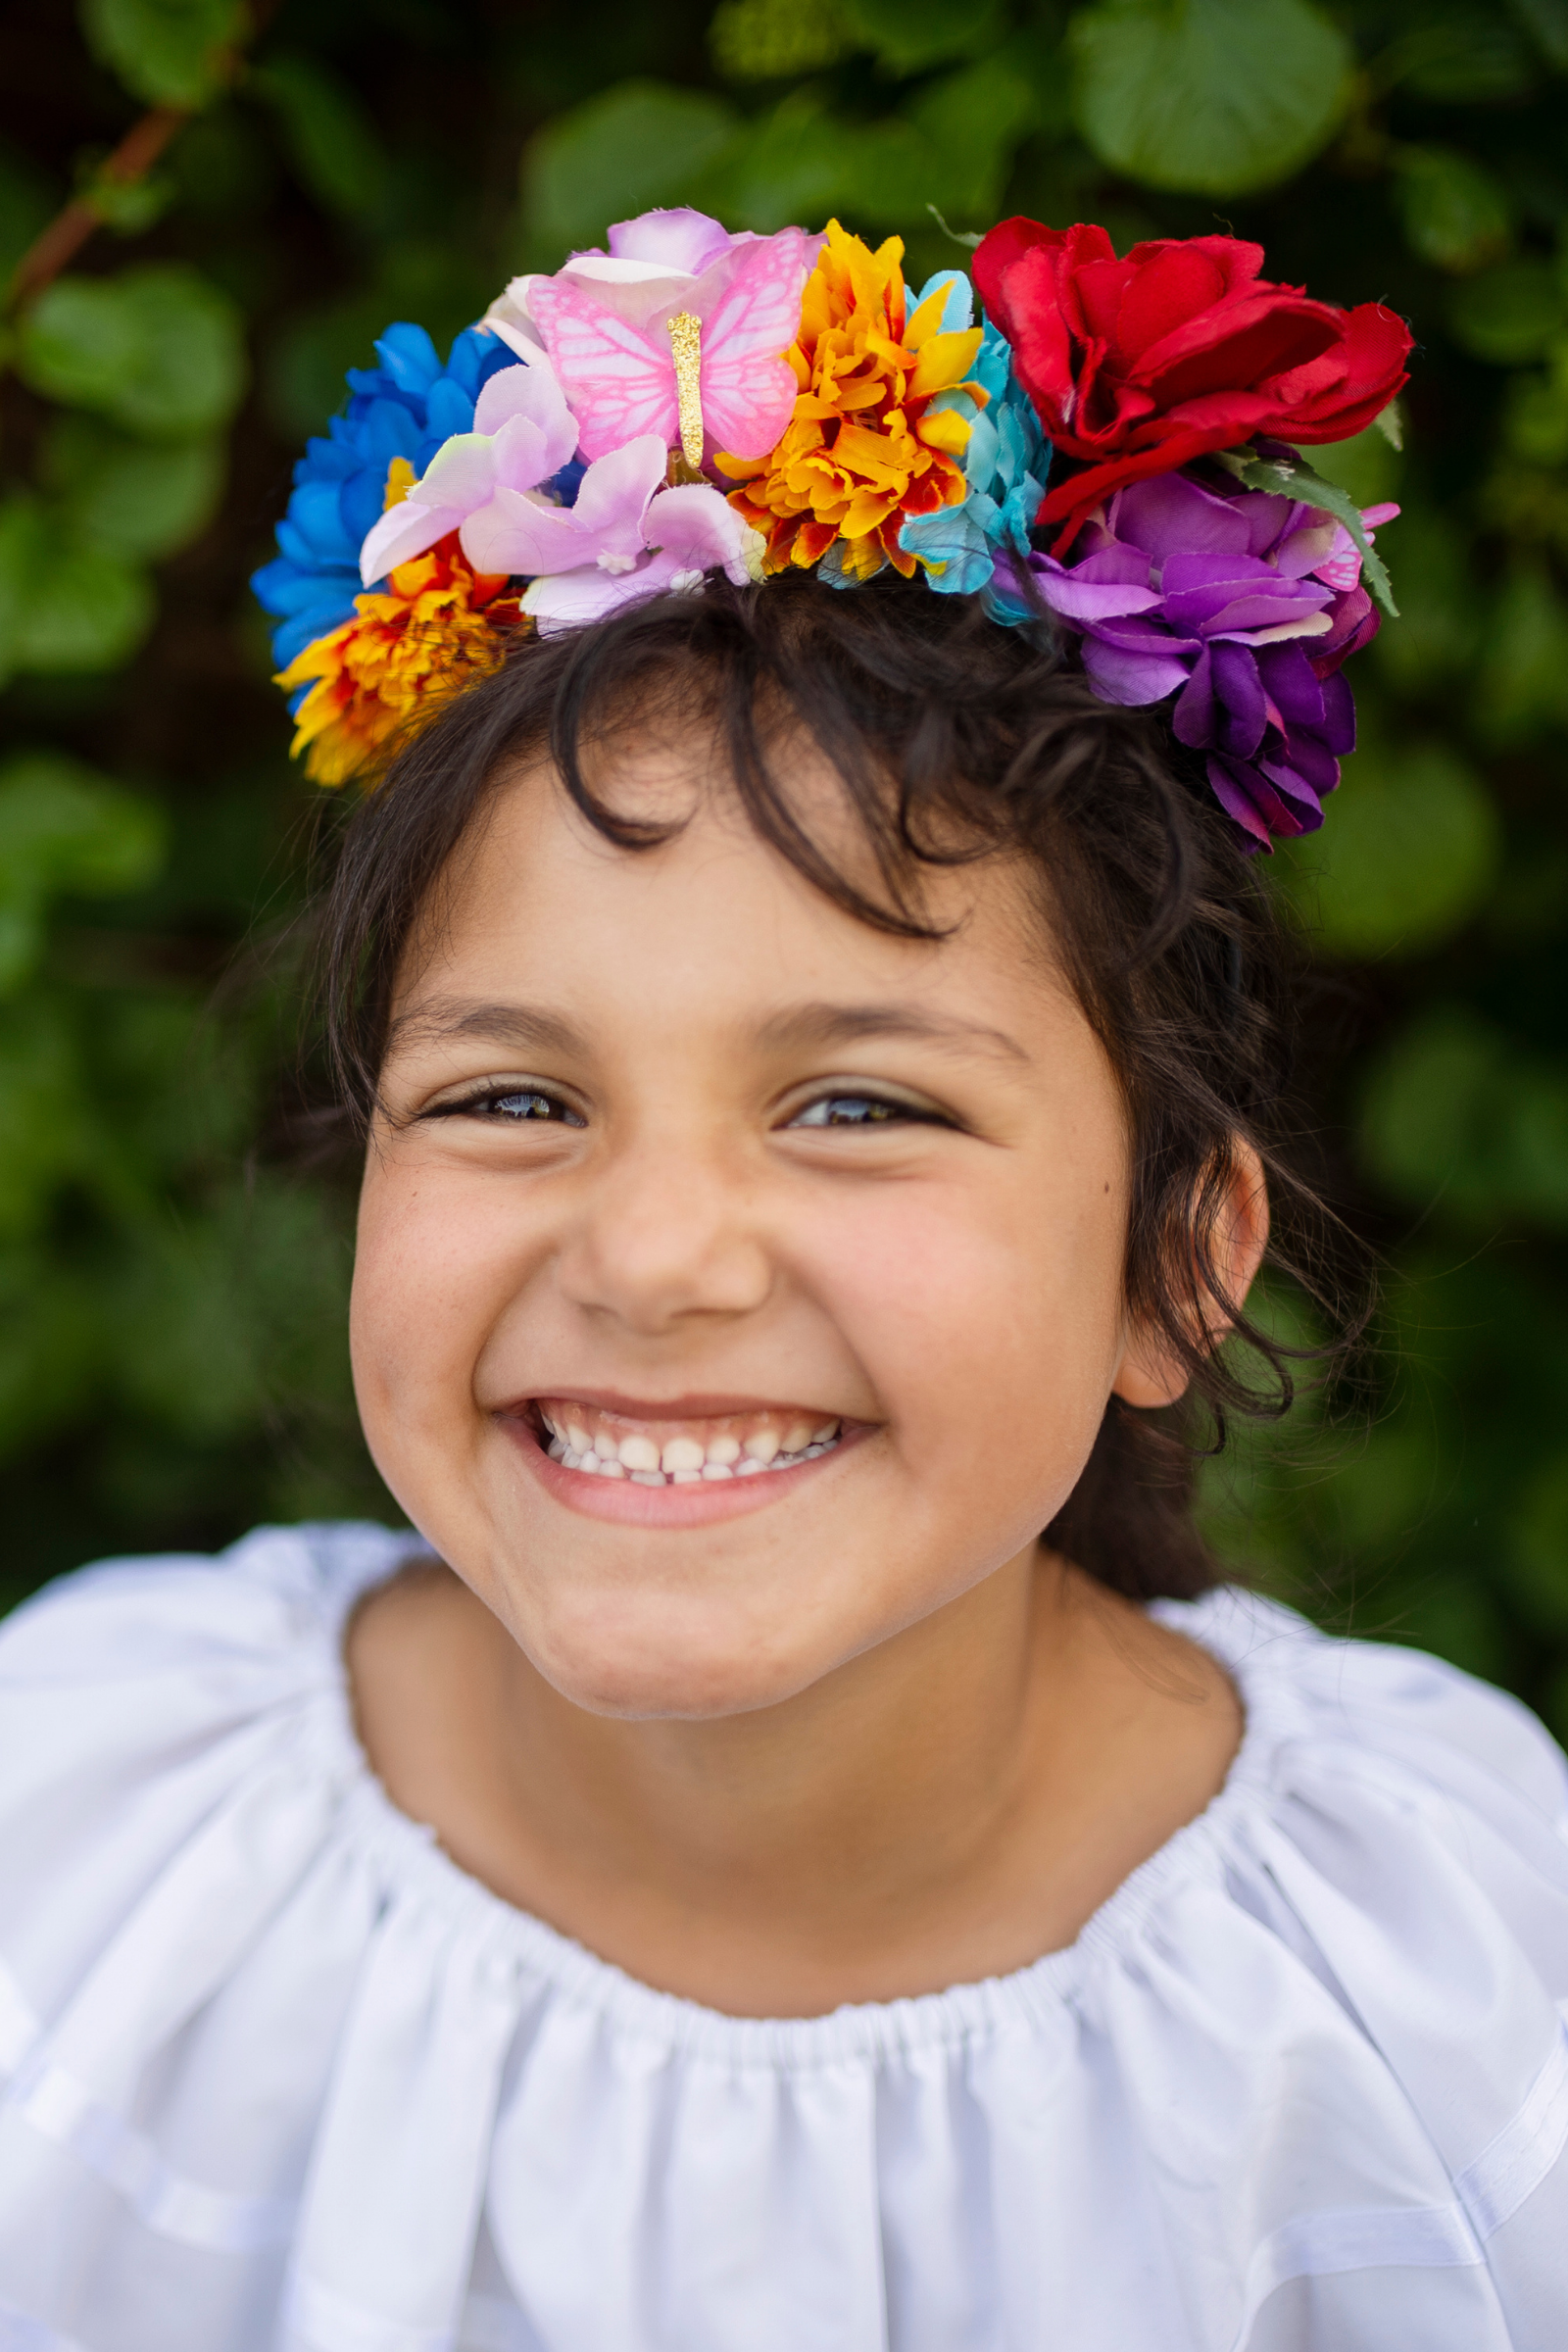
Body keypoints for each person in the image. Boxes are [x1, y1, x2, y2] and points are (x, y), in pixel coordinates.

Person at [0, 208, 1562, 2352]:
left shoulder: (1453, 1994)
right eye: (509, 1101)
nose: (648, 1256)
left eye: (854, 1108)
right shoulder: (76, 1847)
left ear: (1173, 1269)